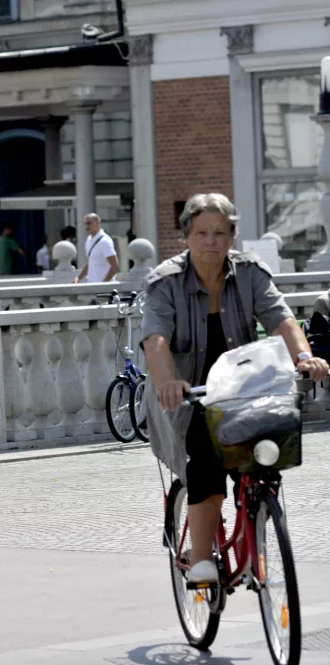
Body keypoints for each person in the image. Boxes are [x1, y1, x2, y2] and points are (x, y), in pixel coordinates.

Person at [140, 193, 329, 583]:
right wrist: (168, 382)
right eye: (202, 232)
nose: (211, 241)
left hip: (243, 389)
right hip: (189, 395)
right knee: (206, 459)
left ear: (232, 236)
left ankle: (260, 514)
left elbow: (282, 319)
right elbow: (155, 338)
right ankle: (204, 557)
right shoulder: (166, 282)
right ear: (187, 236)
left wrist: (303, 358)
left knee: (269, 449)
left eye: (221, 233)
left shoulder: (249, 272)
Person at [73, 214, 118, 283]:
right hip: (93, 286)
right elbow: (91, 263)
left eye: (89, 223)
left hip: (105, 289)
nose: (87, 226)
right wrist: (78, 278)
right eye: (85, 224)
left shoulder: (105, 241)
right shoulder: (88, 240)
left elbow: (114, 265)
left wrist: (104, 284)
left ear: (98, 223)